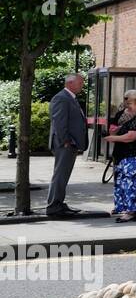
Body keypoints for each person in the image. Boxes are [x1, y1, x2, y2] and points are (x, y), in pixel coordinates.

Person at [103, 90, 136, 222]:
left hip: (135, 157)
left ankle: (132, 211)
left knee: (133, 184)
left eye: (130, 103)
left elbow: (132, 137)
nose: (128, 106)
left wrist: (113, 138)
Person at [46, 73, 88, 218]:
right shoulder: (61, 98)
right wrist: (65, 141)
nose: (82, 86)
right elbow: (59, 122)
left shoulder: (70, 98)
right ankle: (54, 206)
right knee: (60, 175)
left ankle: (58, 203)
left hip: (69, 143)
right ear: (70, 83)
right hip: (65, 144)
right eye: (80, 83)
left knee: (63, 175)